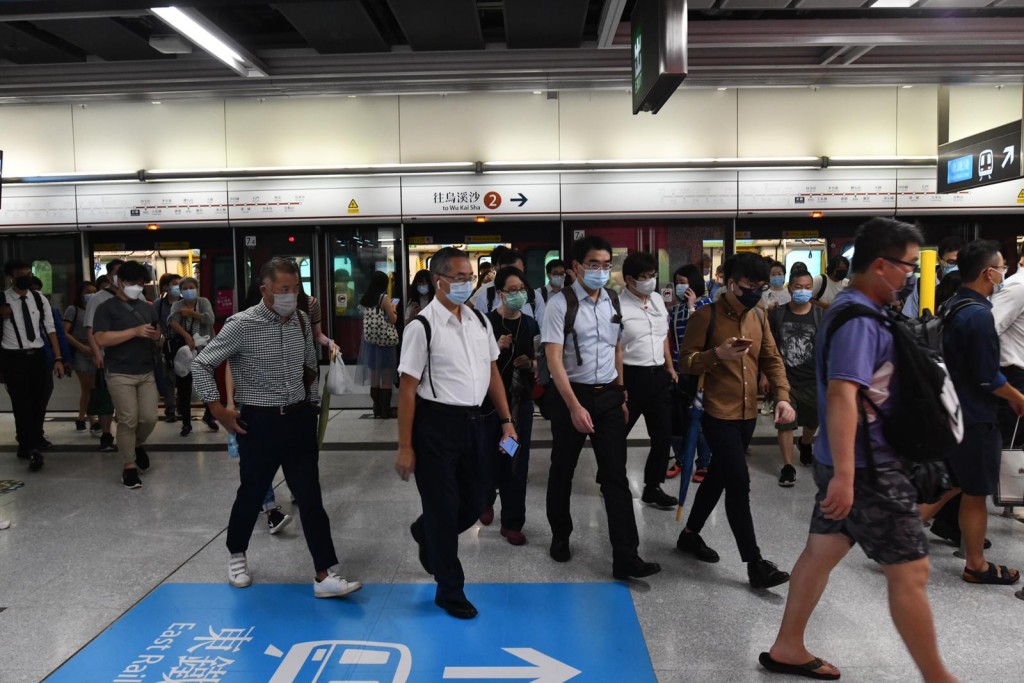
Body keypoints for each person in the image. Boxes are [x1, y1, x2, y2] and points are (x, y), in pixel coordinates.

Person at [761, 217, 956, 682]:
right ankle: (939, 678)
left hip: (845, 460)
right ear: (882, 265)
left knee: (821, 551)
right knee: (910, 572)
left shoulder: (853, 309)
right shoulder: (858, 321)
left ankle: (788, 646)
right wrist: (847, 476)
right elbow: (843, 395)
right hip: (868, 467)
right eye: (907, 266)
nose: (911, 274)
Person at [193, 257, 361, 598]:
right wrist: (219, 409)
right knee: (252, 492)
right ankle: (237, 554)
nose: (291, 295)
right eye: (283, 289)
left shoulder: (300, 319)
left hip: (298, 419)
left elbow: (308, 364)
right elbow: (202, 363)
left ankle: (324, 574)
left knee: (311, 498)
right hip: (260, 422)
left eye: (295, 288)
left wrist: (312, 403)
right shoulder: (242, 324)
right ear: (265, 290)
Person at [395, 247, 518, 619]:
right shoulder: (422, 327)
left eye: (470, 277)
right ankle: (450, 590)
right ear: (439, 281)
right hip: (435, 427)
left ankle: (425, 530)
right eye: (460, 277)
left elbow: (493, 372)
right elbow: (406, 388)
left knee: (480, 496)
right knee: (444, 509)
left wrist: (507, 420)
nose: (467, 283)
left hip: (479, 423)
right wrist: (404, 446)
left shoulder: (479, 321)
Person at [542, 235, 660, 581]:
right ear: (577, 267)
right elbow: (553, 360)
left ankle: (626, 555)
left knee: (615, 476)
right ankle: (561, 534)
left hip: (608, 395)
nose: (601, 271)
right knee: (562, 469)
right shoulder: (560, 304)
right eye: (594, 264)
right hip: (571, 397)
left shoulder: (611, 300)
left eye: (607, 265)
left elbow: (617, 350)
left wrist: (621, 393)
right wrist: (575, 407)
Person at [675, 251, 794, 589]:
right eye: (748, 286)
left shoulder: (758, 316)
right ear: (729, 283)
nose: (755, 291)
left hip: (748, 415)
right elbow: (685, 362)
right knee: (739, 483)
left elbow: (771, 358)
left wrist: (783, 397)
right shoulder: (706, 316)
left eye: (760, 285)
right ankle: (755, 564)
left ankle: (689, 534)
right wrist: (717, 355)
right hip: (716, 413)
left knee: (718, 478)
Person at [932, 240, 1023, 585]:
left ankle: (896, 541)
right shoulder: (980, 315)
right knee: (975, 492)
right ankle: (976, 564)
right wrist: (1018, 397)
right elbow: (989, 377)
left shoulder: (953, 305)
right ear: (989, 272)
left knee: (951, 483)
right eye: (1001, 266)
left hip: (951, 410)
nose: (1004, 272)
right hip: (976, 416)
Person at [479, 266, 540, 545]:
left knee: (514, 461)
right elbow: (475, 365)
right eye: (512, 291)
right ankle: (485, 498)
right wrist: (496, 347)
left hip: (519, 408)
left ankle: (513, 521)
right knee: (487, 458)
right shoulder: (486, 324)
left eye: (521, 290)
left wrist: (532, 362)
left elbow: (543, 362)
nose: (517, 295)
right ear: (500, 293)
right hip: (488, 408)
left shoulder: (530, 324)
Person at [619, 252, 679, 509]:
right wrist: (619, 386)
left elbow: (662, 335)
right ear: (629, 279)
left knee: (663, 435)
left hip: (658, 377)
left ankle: (652, 487)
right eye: (644, 277)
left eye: (653, 276)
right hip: (631, 376)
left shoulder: (656, 299)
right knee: (618, 433)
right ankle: (610, 478)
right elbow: (615, 348)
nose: (650, 281)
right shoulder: (618, 305)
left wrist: (670, 366)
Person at [93, 261, 160, 489]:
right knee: (128, 418)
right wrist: (133, 332)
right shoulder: (106, 308)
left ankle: (137, 444)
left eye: (141, 284)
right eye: (133, 283)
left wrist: (155, 336)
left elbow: (156, 332)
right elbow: (101, 338)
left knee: (149, 418)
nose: (137, 288)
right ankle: (129, 466)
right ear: (120, 282)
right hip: (120, 372)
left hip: (146, 370)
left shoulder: (147, 307)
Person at [1, 259, 66, 472]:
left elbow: (50, 329)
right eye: (21, 273)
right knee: (21, 403)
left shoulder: (38, 298)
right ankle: (30, 447)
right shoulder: (2, 299)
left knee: (40, 399)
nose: (26, 276)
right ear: (11, 277)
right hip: (13, 357)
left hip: (38, 355)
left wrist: (58, 359)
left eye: (28, 272)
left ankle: (32, 438)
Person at [768, 269, 821, 486]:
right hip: (785, 381)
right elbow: (768, 347)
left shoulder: (820, 315)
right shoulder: (777, 314)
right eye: (799, 287)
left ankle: (805, 443)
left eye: (808, 287)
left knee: (813, 420)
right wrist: (765, 375)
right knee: (785, 423)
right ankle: (788, 466)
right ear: (789, 288)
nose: (803, 291)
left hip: (813, 380)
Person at [667, 264, 713, 482]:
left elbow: (706, 336)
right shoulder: (675, 309)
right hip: (677, 370)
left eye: (683, 282)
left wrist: (693, 306)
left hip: (700, 371)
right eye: (677, 282)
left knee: (699, 419)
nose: (680, 286)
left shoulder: (707, 306)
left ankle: (703, 462)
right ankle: (681, 459)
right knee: (676, 420)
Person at [168, 277, 218, 436]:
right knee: (184, 387)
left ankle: (209, 416)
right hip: (185, 350)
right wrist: (187, 336)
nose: (188, 290)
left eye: (191, 287)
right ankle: (186, 423)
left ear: (197, 288)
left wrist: (191, 313)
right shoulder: (177, 304)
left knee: (208, 384)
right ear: (181, 291)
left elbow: (210, 319)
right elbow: (172, 321)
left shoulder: (203, 302)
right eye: (185, 288)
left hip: (205, 349)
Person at [84, 260, 123, 452]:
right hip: (107, 355)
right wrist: (96, 352)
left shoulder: (137, 295)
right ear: (109, 276)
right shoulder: (97, 299)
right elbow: (90, 329)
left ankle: (129, 437)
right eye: (117, 273)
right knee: (106, 396)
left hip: (130, 356)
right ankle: (106, 434)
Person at [29, 276, 72, 434]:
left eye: (37, 290)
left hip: (46, 358)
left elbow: (59, 335)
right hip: (24, 358)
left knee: (43, 394)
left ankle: (37, 431)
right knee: (27, 398)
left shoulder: (49, 310)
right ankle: (28, 433)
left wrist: (64, 359)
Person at [354, 271, 398, 419]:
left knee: (374, 376)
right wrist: (393, 310)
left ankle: (376, 409)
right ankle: (385, 410)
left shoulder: (365, 299)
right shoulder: (384, 298)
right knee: (386, 376)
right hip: (384, 342)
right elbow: (392, 320)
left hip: (370, 342)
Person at [65, 281, 99, 431]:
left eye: (94, 291)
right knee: (88, 387)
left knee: (91, 388)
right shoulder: (73, 310)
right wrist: (81, 346)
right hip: (80, 352)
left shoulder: (97, 310)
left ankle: (81, 418)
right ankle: (92, 420)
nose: (91, 294)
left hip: (95, 351)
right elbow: (64, 332)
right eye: (88, 292)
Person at [903, 236, 961, 318]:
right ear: (939, 259)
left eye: (961, 262)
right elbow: (909, 318)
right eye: (951, 262)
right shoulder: (922, 284)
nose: (957, 266)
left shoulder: (971, 284)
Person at [472, 248, 537, 317]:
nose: (513, 277)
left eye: (517, 272)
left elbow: (541, 326)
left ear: (523, 269)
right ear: (499, 270)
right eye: (508, 272)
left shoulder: (535, 297)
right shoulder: (485, 296)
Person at [154, 273, 182, 423]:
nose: (177, 286)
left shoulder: (186, 303)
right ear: (165, 287)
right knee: (169, 378)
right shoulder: (158, 305)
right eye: (174, 283)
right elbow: (155, 322)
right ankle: (170, 410)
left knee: (183, 378)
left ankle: (182, 408)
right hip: (166, 345)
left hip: (183, 344)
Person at [532, 258, 568, 330]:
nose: (559, 276)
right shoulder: (539, 293)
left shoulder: (567, 294)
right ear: (548, 275)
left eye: (561, 274)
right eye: (555, 273)